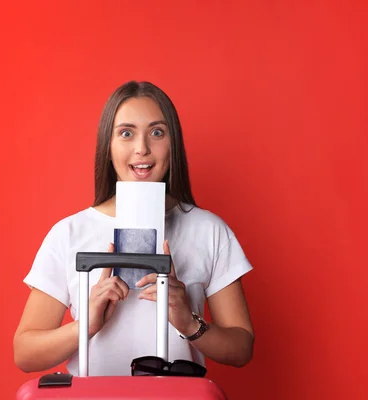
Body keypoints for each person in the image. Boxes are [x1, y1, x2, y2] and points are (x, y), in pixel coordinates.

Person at [13, 81, 255, 376]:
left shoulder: (208, 229)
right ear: (108, 145)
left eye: (157, 133)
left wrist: (189, 323)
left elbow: (241, 348)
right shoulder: (69, 233)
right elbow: (25, 353)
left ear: (173, 144)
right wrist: (85, 326)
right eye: (126, 133)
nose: (142, 148)